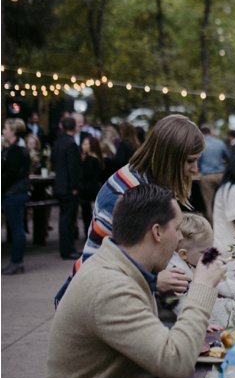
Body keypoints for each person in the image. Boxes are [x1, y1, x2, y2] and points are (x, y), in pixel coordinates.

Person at [44, 184, 227, 378]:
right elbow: (176, 362)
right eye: (177, 228)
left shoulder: (120, 268)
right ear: (157, 232)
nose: (180, 237)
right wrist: (203, 287)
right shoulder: (110, 287)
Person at [55, 115, 204, 304]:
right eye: (190, 161)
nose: (195, 168)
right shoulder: (124, 194)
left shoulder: (150, 182)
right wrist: (152, 280)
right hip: (93, 298)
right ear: (170, 158)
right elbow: (105, 260)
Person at [166, 212, 235, 316]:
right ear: (184, 254)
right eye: (205, 251)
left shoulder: (194, 260)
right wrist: (195, 320)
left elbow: (219, 282)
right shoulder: (176, 272)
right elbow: (178, 302)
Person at [1, 119, 31, 275]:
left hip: (13, 193)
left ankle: (16, 261)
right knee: (16, 227)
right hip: (16, 192)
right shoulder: (18, 148)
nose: (3, 131)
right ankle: (16, 261)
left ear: (13, 131)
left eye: (5, 129)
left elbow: (10, 174)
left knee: (16, 228)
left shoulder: (15, 150)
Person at [52, 116, 83, 262]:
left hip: (59, 184)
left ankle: (66, 248)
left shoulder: (58, 142)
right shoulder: (71, 144)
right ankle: (68, 249)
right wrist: (74, 186)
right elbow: (73, 167)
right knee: (68, 220)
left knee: (64, 219)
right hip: (68, 187)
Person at [197, 124, 229, 224]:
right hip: (220, 175)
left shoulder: (200, 144)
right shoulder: (220, 143)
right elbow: (228, 158)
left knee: (209, 203)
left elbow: (197, 161)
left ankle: (213, 227)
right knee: (224, 201)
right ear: (210, 132)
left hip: (207, 176)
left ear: (201, 133)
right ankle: (225, 223)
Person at [79, 136, 104, 238]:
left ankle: (88, 233)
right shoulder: (97, 158)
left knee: (87, 213)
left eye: (85, 144)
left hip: (88, 189)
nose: (83, 146)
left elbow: (87, 174)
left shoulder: (90, 159)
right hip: (93, 188)